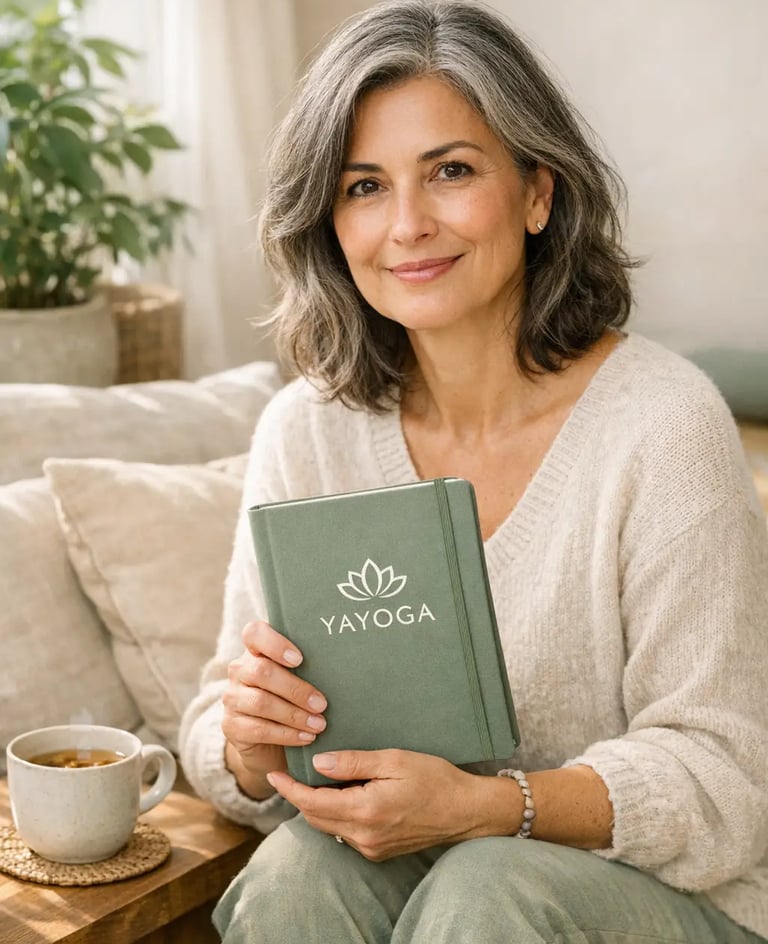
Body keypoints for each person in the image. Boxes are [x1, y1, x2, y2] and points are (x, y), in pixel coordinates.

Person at [178, 1, 768, 941]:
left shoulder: (666, 426)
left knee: (488, 886)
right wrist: (249, 741)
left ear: (537, 192)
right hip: (417, 870)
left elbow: (726, 782)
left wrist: (490, 808)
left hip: (669, 899)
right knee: (294, 873)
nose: (407, 224)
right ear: (329, 221)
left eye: (450, 172)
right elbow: (218, 729)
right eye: (364, 186)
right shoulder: (308, 430)